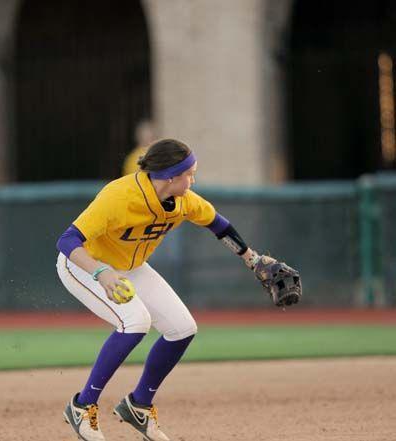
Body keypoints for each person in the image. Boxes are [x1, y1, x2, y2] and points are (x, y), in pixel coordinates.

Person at [57, 139, 297, 441]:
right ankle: (82, 406)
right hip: (84, 265)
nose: (193, 180)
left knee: (182, 328)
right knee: (135, 323)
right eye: (189, 174)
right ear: (170, 176)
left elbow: (219, 225)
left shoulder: (184, 201)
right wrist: (101, 274)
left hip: (131, 267)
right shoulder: (119, 196)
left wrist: (254, 260)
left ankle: (138, 406)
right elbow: (67, 241)